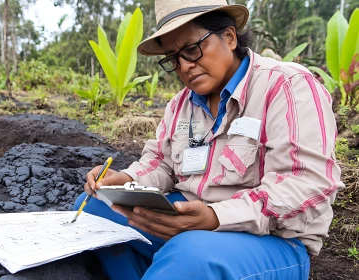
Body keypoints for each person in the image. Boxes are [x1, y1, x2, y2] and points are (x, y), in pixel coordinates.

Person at [73, 0, 344, 279]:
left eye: (192, 49)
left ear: (229, 37)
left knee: (190, 254)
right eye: (173, 58)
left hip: (272, 240)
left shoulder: (287, 86)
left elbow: (306, 183)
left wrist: (216, 218)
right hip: (190, 222)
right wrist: (126, 178)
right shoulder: (181, 104)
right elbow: (161, 163)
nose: (184, 66)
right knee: (95, 210)